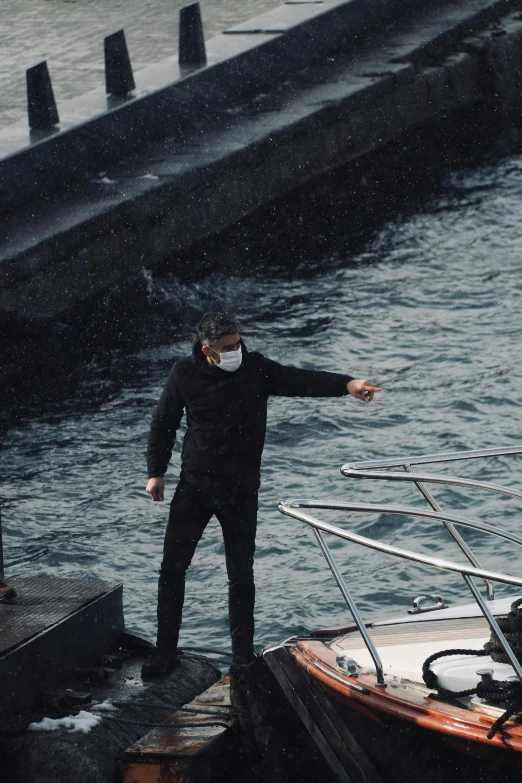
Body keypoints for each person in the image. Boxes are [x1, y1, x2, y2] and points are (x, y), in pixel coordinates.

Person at [143, 311, 381, 676]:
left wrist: (347, 384)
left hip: (240, 491)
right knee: (172, 569)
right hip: (195, 487)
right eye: (228, 347)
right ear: (208, 351)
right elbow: (164, 423)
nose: (236, 350)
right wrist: (156, 472)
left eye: (238, 343)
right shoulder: (184, 373)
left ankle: (243, 657)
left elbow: (301, 380)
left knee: (241, 575)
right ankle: (165, 654)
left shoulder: (256, 369)